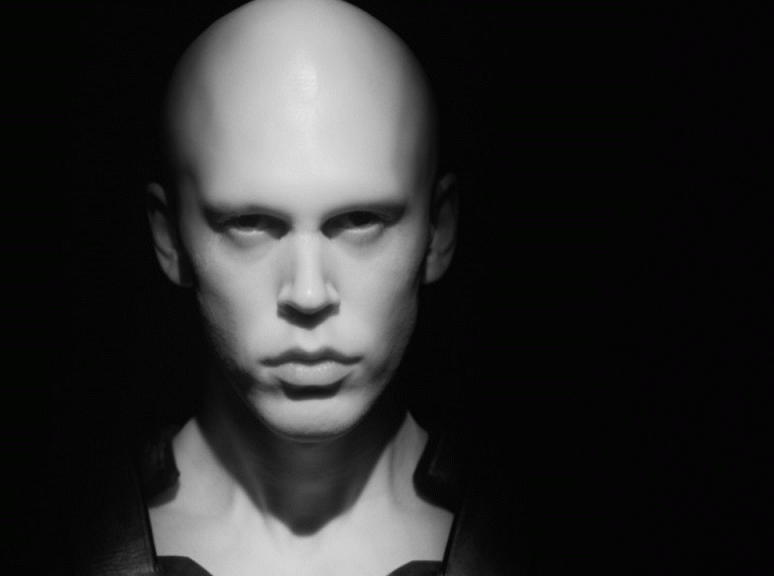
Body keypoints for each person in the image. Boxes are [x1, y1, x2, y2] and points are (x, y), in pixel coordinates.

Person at [55, 1, 526, 575]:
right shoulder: (56, 541)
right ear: (169, 236)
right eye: (250, 223)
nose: (307, 295)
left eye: (360, 220)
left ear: (439, 229)